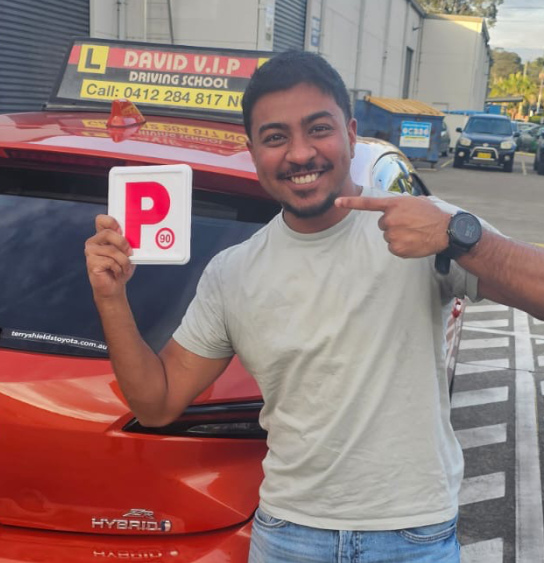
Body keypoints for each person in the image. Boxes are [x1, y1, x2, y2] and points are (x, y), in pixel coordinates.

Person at [85, 50, 544, 563]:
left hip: (413, 537)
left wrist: (464, 238)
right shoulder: (234, 271)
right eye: (276, 137)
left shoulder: (426, 227)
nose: (300, 154)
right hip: (288, 538)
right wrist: (111, 298)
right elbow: (157, 402)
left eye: (318, 129)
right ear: (253, 150)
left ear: (350, 133)